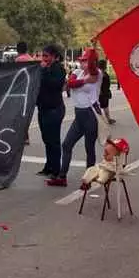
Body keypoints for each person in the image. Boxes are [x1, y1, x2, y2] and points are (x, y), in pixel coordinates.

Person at [47, 48, 101, 187]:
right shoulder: (78, 72)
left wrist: (92, 57)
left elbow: (93, 74)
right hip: (79, 114)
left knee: (89, 148)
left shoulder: (98, 74)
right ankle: (62, 176)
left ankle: (88, 179)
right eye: (81, 61)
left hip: (91, 113)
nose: (82, 63)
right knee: (67, 144)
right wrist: (84, 80)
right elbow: (69, 84)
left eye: (85, 61)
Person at [36, 44, 67, 178]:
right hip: (43, 108)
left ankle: (56, 169)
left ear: (54, 57)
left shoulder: (58, 69)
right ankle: (48, 166)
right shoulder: (44, 69)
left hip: (54, 109)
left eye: (46, 56)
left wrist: (43, 71)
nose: (44, 58)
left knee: (53, 140)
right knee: (46, 139)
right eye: (43, 56)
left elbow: (54, 84)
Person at [98, 59, 115, 124]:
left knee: (100, 107)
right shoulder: (103, 74)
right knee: (105, 107)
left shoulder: (98, 74)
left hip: (100, 93)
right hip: (103, 93)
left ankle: (105, 120)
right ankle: (108, 119)